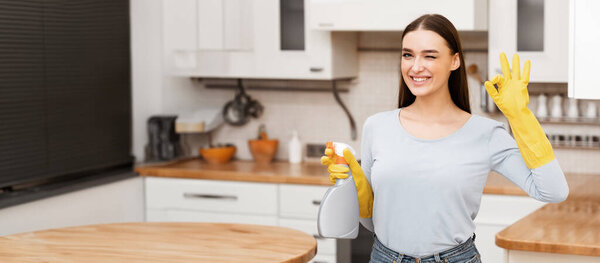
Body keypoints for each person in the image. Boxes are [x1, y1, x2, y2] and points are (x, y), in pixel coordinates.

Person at [321, 14, 569, 263]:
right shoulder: (377, 126)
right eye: (408, 55)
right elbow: (372, 222)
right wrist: (355, 186)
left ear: (455, 61)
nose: (415, 66)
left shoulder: (485, 134)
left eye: (429, 55)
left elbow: (553, 191)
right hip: (384, 257)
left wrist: (520, 116)